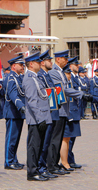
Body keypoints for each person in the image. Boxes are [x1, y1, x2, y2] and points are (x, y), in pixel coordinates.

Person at [47, 50, 90, 175]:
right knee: (55, 140)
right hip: (58, 110)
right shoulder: (54, 72)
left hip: (63, 110)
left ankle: (55, 164)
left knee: (58, 139)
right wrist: (82, 94)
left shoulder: (60, 72)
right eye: (65, 59)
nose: (67, 61)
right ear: (58, 59)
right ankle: (52, 165)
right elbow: (63, 90)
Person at [22, 52, 52, 181]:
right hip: (36, 119)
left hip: (41, 117)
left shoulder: (36, 77)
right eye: (38, 62)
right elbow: (32, 101)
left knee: (39, 145)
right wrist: (40, 119)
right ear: (31, 64)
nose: (40, 64)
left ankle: (37, 170)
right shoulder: (29, 78)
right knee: (34, 146)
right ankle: (32, 172)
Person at [37, 49, 59, 179]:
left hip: (51, 111)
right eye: (49, 60)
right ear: (43, 63)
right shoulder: (40, 75)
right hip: (45, 112)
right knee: (43, 142)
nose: (51, 62)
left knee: (47, 142)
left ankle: (43, 166)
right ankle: (40, 167)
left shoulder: (46, 75)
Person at [3, 54, 25, 170]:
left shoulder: (19, 77)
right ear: (14, 66)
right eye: (20, 65)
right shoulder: (11, 78)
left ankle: (14, 159)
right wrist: (21, 106)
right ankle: (8, 161)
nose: (23, 67)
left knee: (16, 138)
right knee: (11, 138)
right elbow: (12, 94)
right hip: (12, 112)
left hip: (19, 113)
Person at [60, 57, 82, 172]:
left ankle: (69, 159)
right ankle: (66, 160)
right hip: (69, 111)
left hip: (74, 111)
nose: (77, 67)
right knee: (67, 139)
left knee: (71, 139)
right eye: (76, 65)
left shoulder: (75, 79)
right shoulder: (66, 80)